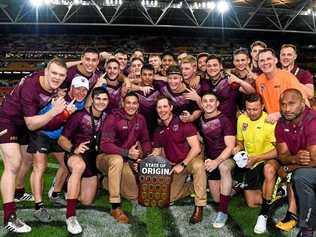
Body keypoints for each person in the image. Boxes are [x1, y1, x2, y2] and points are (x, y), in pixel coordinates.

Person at [0, 58, 68, 233]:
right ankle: (9, 216)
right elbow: (31, 124)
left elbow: (66, 65)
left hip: (25, 122)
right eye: (53, 73)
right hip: (8, 120)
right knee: (13, 163)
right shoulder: (31, 86)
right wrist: (55, 111)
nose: (57, 78)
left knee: (28, 159)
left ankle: (19, 191)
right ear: (45, 71)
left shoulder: (53, 85)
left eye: (61, 75)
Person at [28, 76, 89, 223]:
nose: (80, 92)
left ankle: (55, 194)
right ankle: (38, 206)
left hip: (58, 137)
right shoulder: (59, 99)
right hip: (42, 134)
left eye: (84, 90)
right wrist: (59, 110)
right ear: (71, 89)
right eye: (78, 89)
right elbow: (42, 118)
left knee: (66, 165)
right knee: (40, 167)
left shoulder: (81, 104)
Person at [58, 87, 109, 234]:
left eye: (104, 99)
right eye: (98, 98)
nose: (101, 102)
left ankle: (70, 184)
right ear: (92, 99)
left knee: (86, 200)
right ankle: (70, 216)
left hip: (93, 159)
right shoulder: (79, 116)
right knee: (79, 166)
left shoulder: (108, 117)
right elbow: (62, 139)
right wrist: (73, 148)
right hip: (77, 155)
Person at [96, 92, 152, 224]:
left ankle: (105, 181)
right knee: (117, 160)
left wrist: (143, 156)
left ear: (138, 105)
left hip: (125, 159)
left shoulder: (141, 119)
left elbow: (145, 140)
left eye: (134, 103)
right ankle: (115, 206)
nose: (131, 106)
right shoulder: (113, 118)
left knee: (132, 194)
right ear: (123, 103)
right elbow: (105, 145)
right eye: (128, 103)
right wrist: (127, 153)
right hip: (105, 158)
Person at [151, 96, 207, 224]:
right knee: (168, 197)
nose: (162, 110)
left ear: (171, 108)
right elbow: (157, 151)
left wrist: (183, 164)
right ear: (156, 110)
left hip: (191, 159)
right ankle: (198, 186)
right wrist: (144, 161)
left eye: (165, 106)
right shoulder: (159, 130)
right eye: (159, 107)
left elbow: (196, 148)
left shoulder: (183, 122)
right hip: (175, 165)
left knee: (199, 166)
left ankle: (199, 206)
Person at [232, 93, 278, 234]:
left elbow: (278, 151)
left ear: (262, 107)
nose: (251, 112)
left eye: (255, 109)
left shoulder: (270, 122)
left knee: (269, 170)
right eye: (248, 109)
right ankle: (280, 193)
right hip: (250, 161)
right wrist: (238, 147)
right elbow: (240, 140)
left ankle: (263, 214)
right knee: (251, 202)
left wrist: (257, 158)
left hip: (268, 158)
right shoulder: (242, 119)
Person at [276, 89, 316, 237]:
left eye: (291, 104)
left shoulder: (312, 120)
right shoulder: (281, 124)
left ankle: (307, 228)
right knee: (300, 175)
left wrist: (289, 166)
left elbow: (315, 159)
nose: (286, 109)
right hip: (306, 165)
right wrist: (293, 159)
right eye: (283, 104)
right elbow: (283, 155)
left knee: (301, 176)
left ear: (302, 104)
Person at [198, 93, 235, 228]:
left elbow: (230, 147)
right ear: (201, 104)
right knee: (217, 198)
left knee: (223, 168)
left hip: (227, 159)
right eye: (205, 101)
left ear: (217, 103)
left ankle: (223, 212)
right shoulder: (201, 119)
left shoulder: (224, 120)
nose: (208, 103)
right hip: (212, 161)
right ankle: (234, 186)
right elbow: (202, 139)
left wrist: (216, 162)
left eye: (211, 101)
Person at [255, 48, 309, 123]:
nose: (265, 62)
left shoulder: (288, 77)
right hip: (272, 124)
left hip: (291, 123)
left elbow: (305, 105)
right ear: (258, 64)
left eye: (269, 59)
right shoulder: (259, 81)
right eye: (262, 60)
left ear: (276, 60)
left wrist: (280, 114)